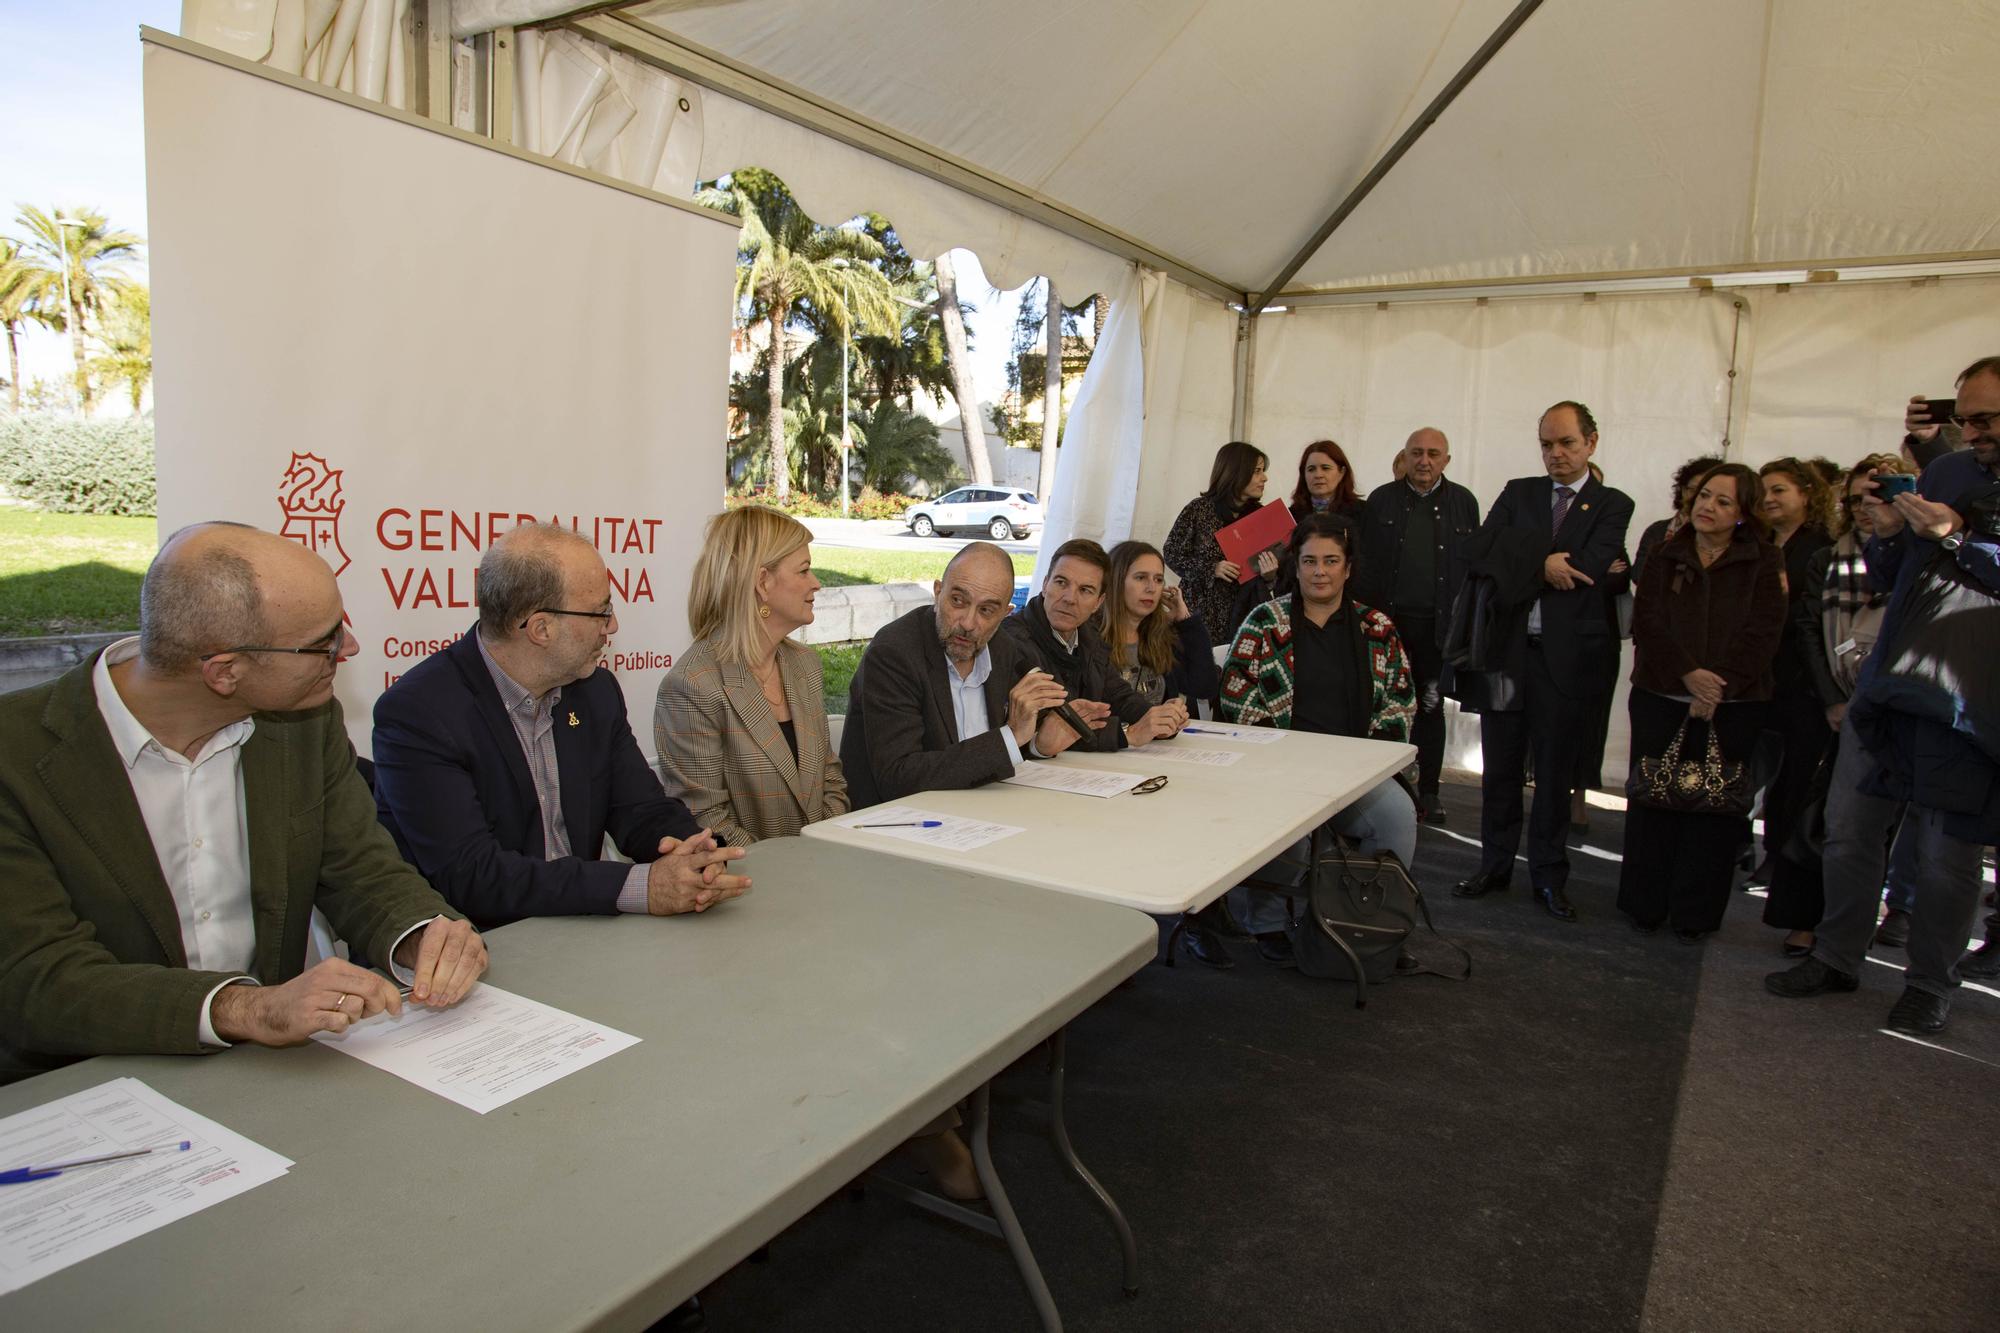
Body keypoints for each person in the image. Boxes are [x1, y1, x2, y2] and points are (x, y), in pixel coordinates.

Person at [0, 523, 486, 1085]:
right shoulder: (17, 758)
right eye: (324, 641)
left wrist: (421, 933)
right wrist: (247, 1008)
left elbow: (359, 868)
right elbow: (39, 978)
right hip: (86, 1085)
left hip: (271, 1079)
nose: (349, 647)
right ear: (224, 672)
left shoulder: (305, 721)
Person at [1768, 356, 2000, 1032]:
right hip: (1891, 686)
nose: (1972, 430)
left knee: (1946, 857)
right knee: (1848, 830)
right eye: (1966, 416)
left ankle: (1930, 983)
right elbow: (1893, 575)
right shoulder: (1950, 471)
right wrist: (1894, 535)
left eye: (1986, 418)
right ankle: (1838, 954)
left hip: (1968, 701)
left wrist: (1955, 535)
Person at [373, 523, 747, 932]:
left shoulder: (594, 691)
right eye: (601, 611)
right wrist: (639, 886)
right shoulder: (420, 713)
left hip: (584, 930)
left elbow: (640, 809)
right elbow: (472, 876)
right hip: (486, 947)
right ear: (540, 629)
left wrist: (694, 854)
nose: (613, 625)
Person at [1453, 401, 1635, 922]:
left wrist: (1521, 560)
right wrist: (1541, 563)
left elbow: (1592, 567)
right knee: (1500, 771)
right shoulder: (1519, 491)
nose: (1556, 454)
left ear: (1591, 443)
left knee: (1555, 774)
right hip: (1507, 654)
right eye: (1547, 444)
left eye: (1567, 444)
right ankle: (1494, 865)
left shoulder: (1611, 504)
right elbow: (1480, 552)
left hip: (1567, 661)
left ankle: (1549, 876)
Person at [1217, 514, 1418, 965]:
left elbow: (1401, 700)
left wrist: (1372, 761)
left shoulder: (1377, 628)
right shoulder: (1264, 622)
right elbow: (1236, 694)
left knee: (1397, 816)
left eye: (1331, 561)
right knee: (1284, 824)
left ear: (1348, 568)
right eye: (1309, 561)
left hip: (1356, 774)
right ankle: (1266, 923)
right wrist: (1278, 758)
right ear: (1296, 566)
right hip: (1279, 770)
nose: (1320, 571)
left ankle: (1370, 920)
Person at [1616, 465, 1785, 941]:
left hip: (1736, 704)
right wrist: (1689, 675)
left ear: (1744, 514)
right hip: (1661, 696)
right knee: (1654, 803)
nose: (1707, 506)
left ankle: (1695, 915)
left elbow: (1765, 630)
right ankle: (1644, 905)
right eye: (1704, 496)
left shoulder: (1765, 560)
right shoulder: (1666, 553)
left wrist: (1720, 686)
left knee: (1714, 809)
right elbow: (1647, 620)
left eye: (1723, 501)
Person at [655, 505, 848, 846]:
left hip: (821, 868)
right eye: (804, 571)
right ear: (763, 582)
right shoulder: (693, 685)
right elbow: (708, 821)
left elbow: (830, 780)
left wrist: (823, 848)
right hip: (748, 883)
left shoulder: (805, 665)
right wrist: (794, 866)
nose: (816, 583)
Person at [841, 541, 1087, 808]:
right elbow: (899, 777)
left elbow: (985, 755)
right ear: (938, 593)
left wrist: (1039, 745)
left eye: (986, 610)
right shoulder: (895, 653)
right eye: (958, 601)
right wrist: (1012, 736)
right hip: (897, 823)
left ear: (1005, 614)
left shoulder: (1002, 647)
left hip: (978, 813)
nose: (968, 623)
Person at [1793, 455, 1924, 952]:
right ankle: (1837, 949)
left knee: (1916, 832)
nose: (1869, 508)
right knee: (1845, 830)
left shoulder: (1925, 555)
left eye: (1883, 494)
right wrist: (1833, 700)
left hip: (1907, 706)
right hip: (1847, 707)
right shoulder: (1830, 558)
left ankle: (1900, 915)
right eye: (1857, 499)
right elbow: (1809, 631)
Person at [1101, 539, 1230, 965]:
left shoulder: (1161, 635)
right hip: (1108, 763)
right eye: (1140, 578)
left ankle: (1201, 915)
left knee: (1210, 811)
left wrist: (1186, 620)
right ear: (1116, 581)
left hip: (1161, 762)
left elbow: (1204, 686)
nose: (1151, 589)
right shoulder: (1092, 640)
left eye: (1158, 580)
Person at [1353, 427, 1480, 824]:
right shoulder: (1381, 500)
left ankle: (1429, 791)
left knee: (1430, 705)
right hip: (1387, 626)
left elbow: (1471, 571)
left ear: (1446, 459)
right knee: (1380, 706)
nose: (1424, 461)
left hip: (1437, 629)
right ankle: (1383, 786)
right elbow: (1366, 564)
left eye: (1433, 454)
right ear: (1404, 456)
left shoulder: (1464, 503)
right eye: (1417, 453)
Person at [998, 538, 1189, 751]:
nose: (1070, 598)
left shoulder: (1090, 636)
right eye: (1061, 582)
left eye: (1085, 590)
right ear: (1045, 584)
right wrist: (1128, 734)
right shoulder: (1013, 640)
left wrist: (1158, 718)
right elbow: (1056, 723)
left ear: (1099, 602)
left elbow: (1117, 694)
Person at [1752, 458, 1835, 922]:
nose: (1769, 498)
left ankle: (1781, 858)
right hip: (1755, 678)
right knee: (1747, 771)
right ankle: (1750, 848)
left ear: (1806, 493)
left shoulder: (1821, 547)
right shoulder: (1759, 542)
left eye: (1779, 489)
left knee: (1795, 781)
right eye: (1764, 490)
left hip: (1799, 681)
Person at [1163, 441, 1279, 648]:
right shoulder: (1199, 510)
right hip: (1199, 615)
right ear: (1237, 473)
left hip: (1243, 618)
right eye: (1257, 471)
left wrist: (1269, 576)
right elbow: (1172, 553)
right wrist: (1211, 568)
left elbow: (1267, 576)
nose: (1264, 478)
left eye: (1263, 471)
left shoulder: (1261, 518)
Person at [1631, 455, 1723, 582]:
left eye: (1707, 493)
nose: (1699, 499)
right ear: (1682, 490)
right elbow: (1639, 575)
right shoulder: (1657, 530)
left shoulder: (1727, 536)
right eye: (1694, 490)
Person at [1290, 439, 1361, 521]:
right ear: (1304, 474)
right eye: (1311, 469)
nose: (1318, 475)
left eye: (1325, 468)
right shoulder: (1290, 517)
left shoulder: (1363, 513)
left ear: (1342, 472)